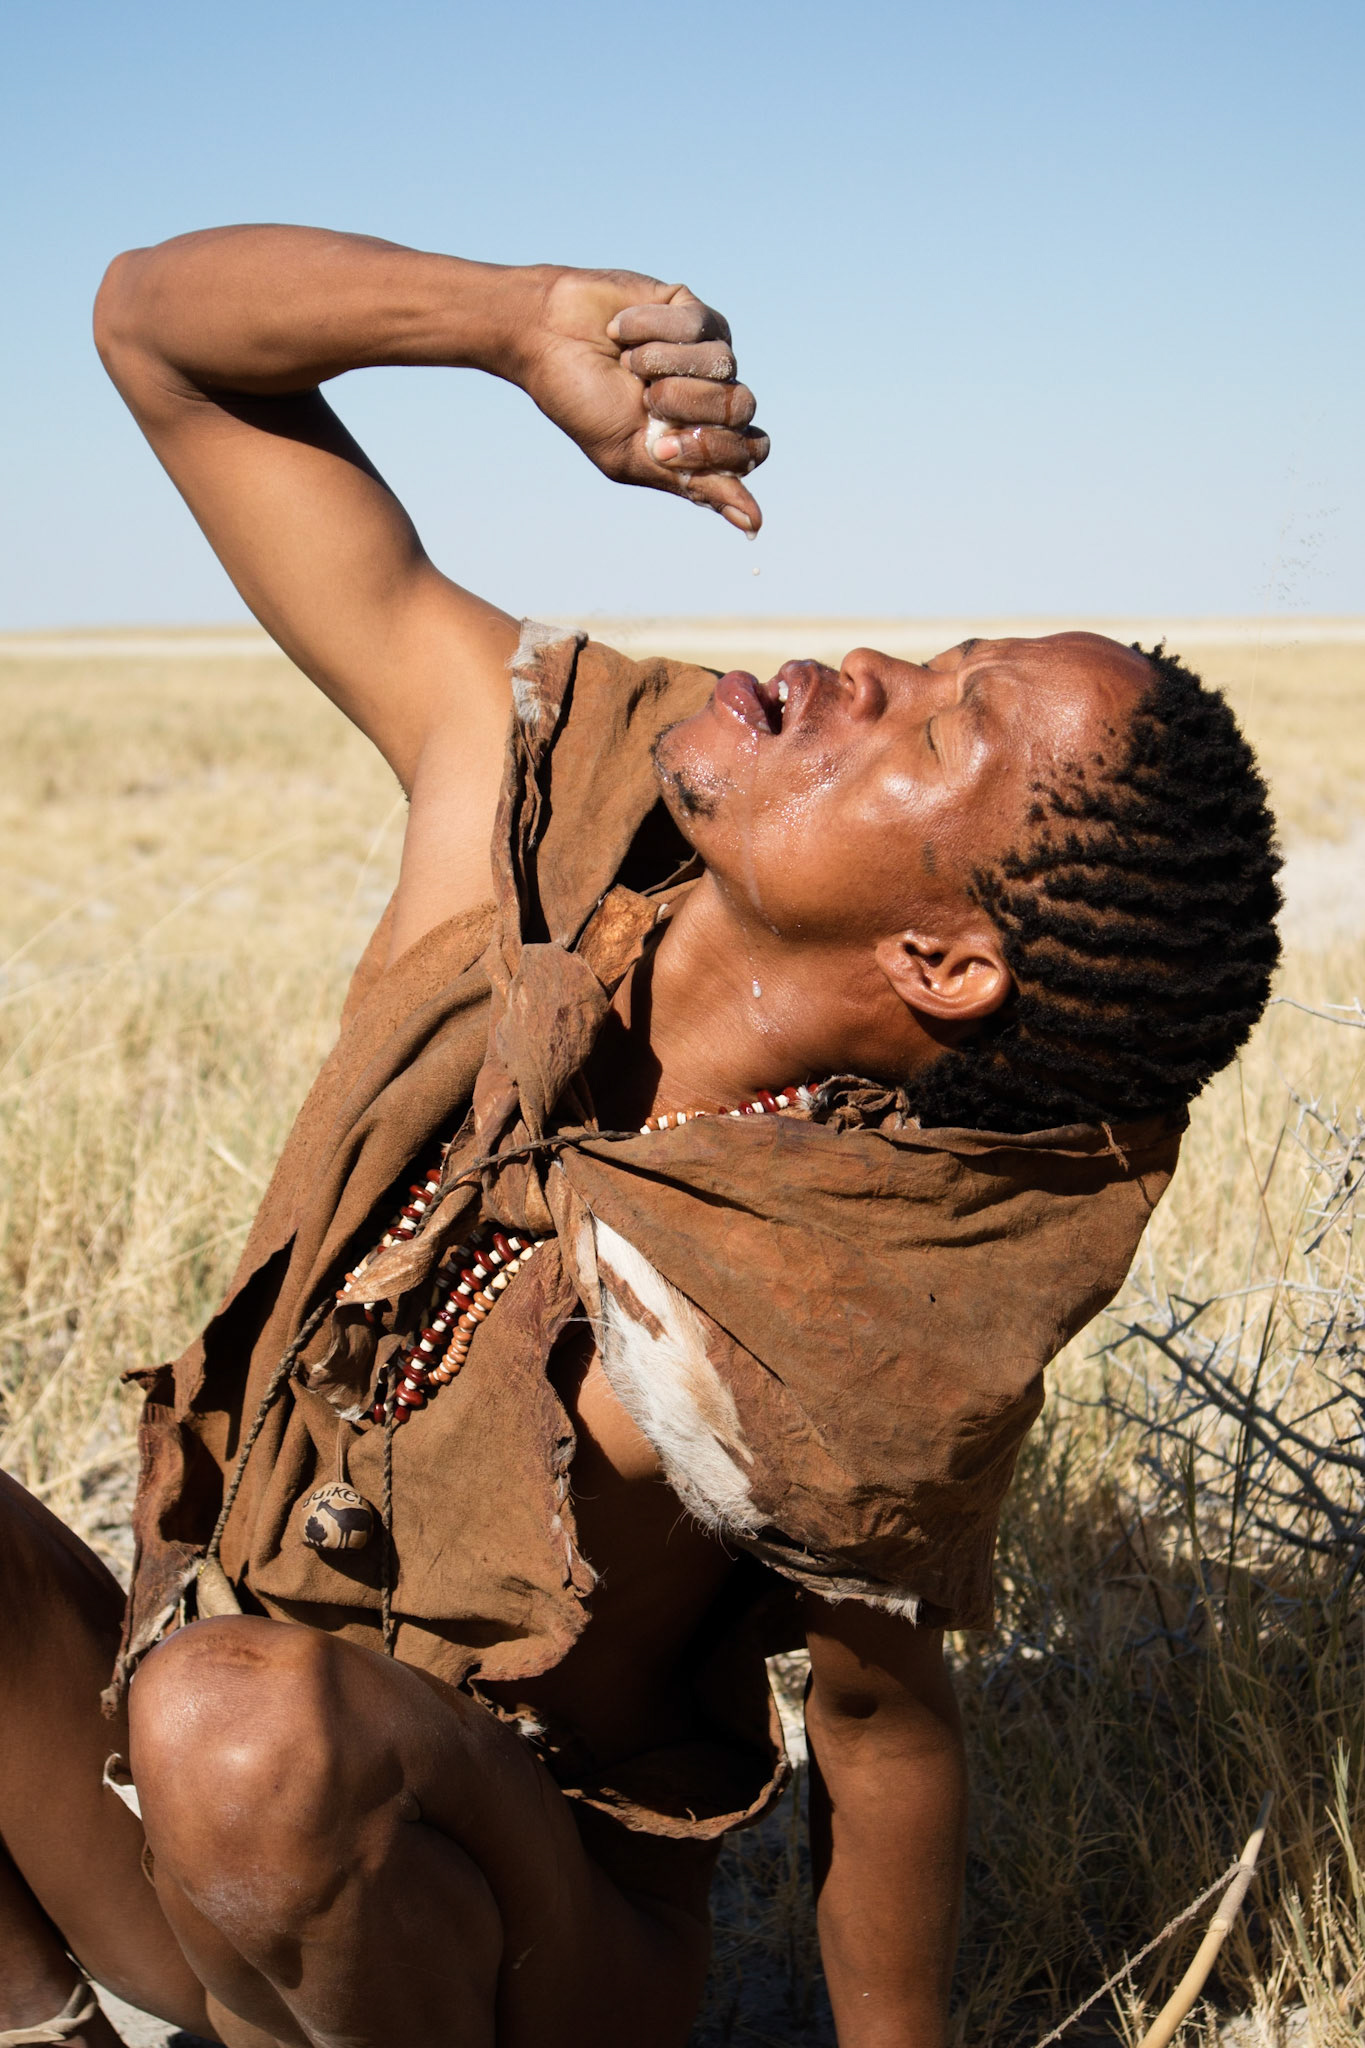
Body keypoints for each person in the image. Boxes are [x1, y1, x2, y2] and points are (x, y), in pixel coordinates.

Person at [0, 227, 1281, 2048]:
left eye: (940, 723)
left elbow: (881, 1730)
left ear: (941, 959)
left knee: (243, 1728)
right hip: (173, 1822)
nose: (862, 664)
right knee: (205, 1705)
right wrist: (511, 323)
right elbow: (159, 333)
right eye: (932, 656)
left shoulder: (862, 1278)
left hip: (517, 1941)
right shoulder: (527, 806)